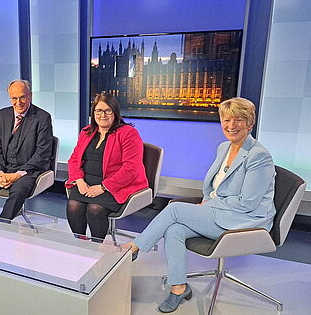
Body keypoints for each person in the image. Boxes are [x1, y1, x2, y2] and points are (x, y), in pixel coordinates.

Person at [126, 97, 276, 313]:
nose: (231, 125)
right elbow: (214, 186)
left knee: (175, 209)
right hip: (220, 210)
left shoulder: (259, 156)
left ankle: (135, 247)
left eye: (239, 120)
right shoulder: (224, 147)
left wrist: (209, 206)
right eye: (226, 119)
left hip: (245, 219)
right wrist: (209, 202)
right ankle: (179, 288)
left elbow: (247, 203)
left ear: (250, 123)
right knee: (175, 229)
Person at [65, 93, 148, 240]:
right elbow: (73, 160)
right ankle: (81, 244)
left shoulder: (128, 133)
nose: (102, 115)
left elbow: (131, 168)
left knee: (95, 209)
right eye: (98, 111)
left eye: (107, 110)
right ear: (93, 113)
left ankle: (97, 247)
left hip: (117, 185)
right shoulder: (86, 132)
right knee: (73, 206)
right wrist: (79, 180)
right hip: (86, 183)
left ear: (115, 112)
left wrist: (103, 187)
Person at [0, 79, 53, 220]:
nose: (18, 103)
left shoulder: (42, 117)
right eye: (14, 98)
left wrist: (16, 175)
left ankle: (3, 224)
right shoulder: (1, 115)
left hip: (28, 171)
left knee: (18, 189)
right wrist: (0, 172)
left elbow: (42, 154)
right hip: (3, 168)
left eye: (22, 97)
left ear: (30, 95)